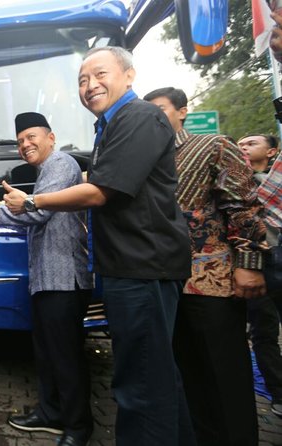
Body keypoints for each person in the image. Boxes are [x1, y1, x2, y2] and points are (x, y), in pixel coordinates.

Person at [3, 47, 194, 446]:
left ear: (129, 75)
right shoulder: (109, 125)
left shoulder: (139, 116)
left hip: (144, 266)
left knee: (141, 386)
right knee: (153, 378)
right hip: (127, 267)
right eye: (82, 80)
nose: (90, 86)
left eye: (100, 75)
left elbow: (102, 190)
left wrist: (30, 201)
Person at [143, 87, 266, 445]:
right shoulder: (146, 159)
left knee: (225, 375)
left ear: (182, 111)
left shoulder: (212, 146)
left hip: (212, 282)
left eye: (160, 110)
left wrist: (249, 263)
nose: (154, 119)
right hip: (167, 284)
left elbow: (242, 206)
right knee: (188, 376)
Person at [0, 112, 93, 445]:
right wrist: (5, 208)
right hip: (46, 278)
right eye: (20, 141)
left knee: (66, 356)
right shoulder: (46, 171)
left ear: (51, 137)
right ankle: (50, 412)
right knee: (46, 353)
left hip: (64, 279)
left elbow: (39, 212)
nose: (25, 144)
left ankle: (77, 427)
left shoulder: (60, 164)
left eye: (31, 137)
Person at [238, 133, 282, 418]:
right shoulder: (236, 186)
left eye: (251, 143)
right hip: (256, 267)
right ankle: (279, 395)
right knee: (263, 334)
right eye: (239, 145)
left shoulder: (275, 182)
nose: (243, 148)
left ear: (271, 152)